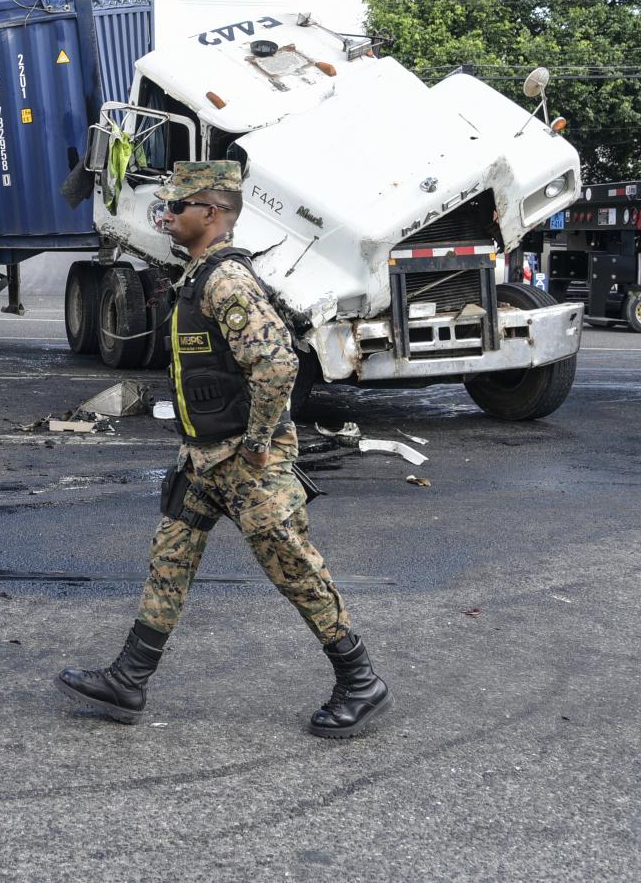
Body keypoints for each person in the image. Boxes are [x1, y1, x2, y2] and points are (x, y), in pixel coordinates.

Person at [56, 160, 392, 739]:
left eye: (176, 207)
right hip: (204, 459)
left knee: (294, 570)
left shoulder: (226, 281)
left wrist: (260, 444)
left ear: (211, 214)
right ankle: (129, 678)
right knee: (171, 560)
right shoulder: (197, 276)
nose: (165, 216)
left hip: (244, 462)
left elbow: (278, 362)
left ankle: (360, 681)